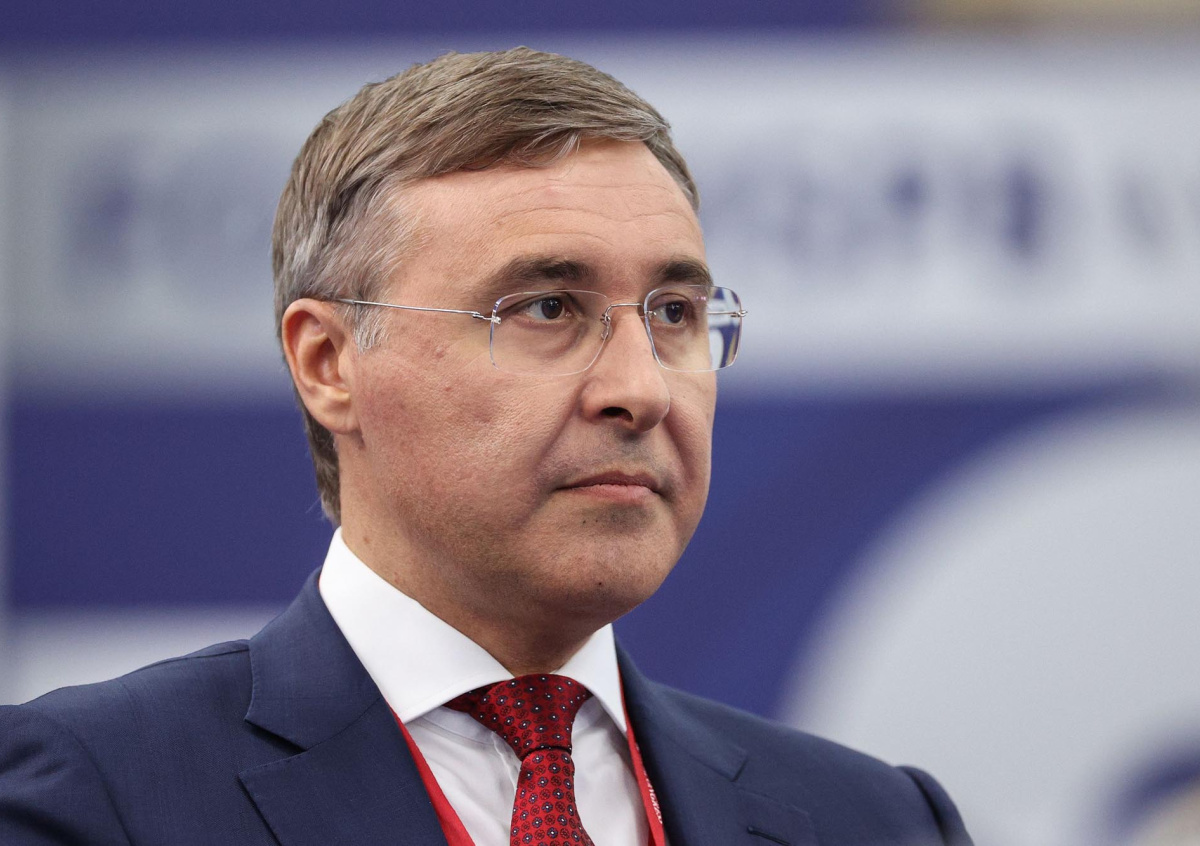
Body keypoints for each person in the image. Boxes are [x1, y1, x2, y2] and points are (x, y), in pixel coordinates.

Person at [0, 48, 972, 845]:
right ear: (329, 363)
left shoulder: (877, 821)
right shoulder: (94, 799)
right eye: (547, 308)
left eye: (674, 312)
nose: (640, 390)